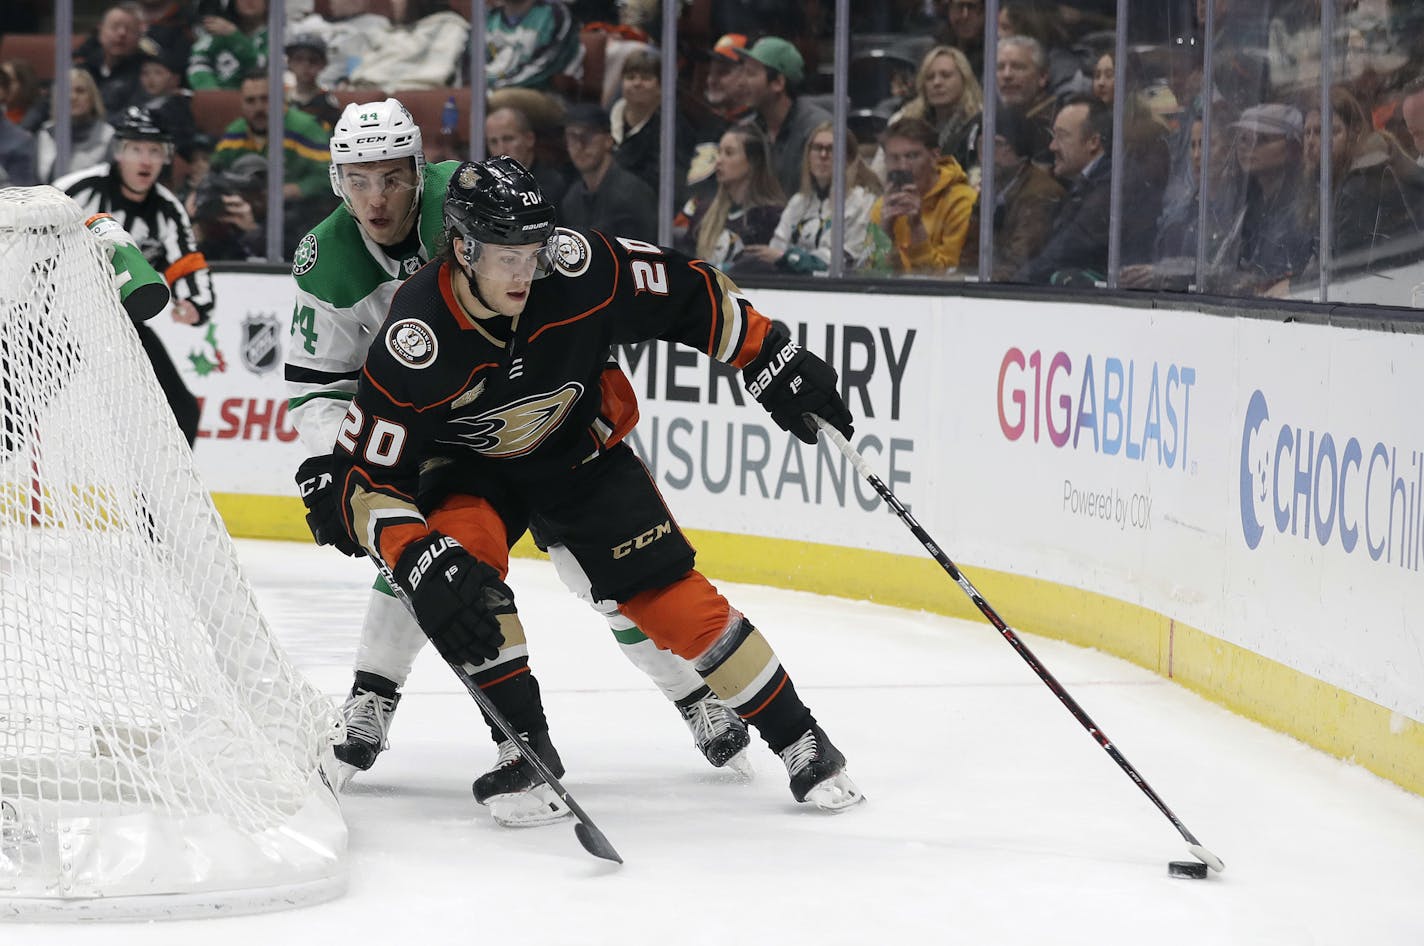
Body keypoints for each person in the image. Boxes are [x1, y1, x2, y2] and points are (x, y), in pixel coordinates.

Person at [326, 154, 864, 812]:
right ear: (463, 248)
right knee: (461, 582)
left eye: (532, 250)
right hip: (466, 469)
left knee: (671, 602)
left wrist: (768, 355)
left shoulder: (579, 266)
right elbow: (364, 477)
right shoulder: (418, 334)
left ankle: (804, 741)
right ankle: (524, 747)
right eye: (506, 257)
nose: (526, 271)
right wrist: (413, 556)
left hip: (578, 452)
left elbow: (689, 292)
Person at [288, 100, 751, 808]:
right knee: (427, 561)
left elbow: (564, 281)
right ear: (335, 182)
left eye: (391, 178)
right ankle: (373, 697)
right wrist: (335, 461)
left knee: (605, 571)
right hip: (446, 443)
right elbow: (318, 390)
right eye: (358, 180)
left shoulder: (477, 199)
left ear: (420, 172)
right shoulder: (326, 262)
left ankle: (694, 694)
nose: (375, 199)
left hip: (548, 416)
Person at [53, 107, 214, 446]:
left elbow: (185, 260)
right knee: (16, 410)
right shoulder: (77, 190)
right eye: (136, 149)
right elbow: (28, 229)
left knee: (181, 410)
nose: (146, 160)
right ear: (119, 152)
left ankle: (154, 500)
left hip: (120, 326)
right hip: (55, 324)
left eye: (155, 151)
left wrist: (195, 303)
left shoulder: (167, 208)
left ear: (166, 156)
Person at [213, 70, 332, 255]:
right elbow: (214, 172)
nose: (258, 107)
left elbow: (328, 177)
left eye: (265, 99)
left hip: (300, 219)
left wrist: (291, 190)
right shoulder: (235, 132)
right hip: (247, 218)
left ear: (280, 99)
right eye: (250, 101)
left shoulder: (305, 128)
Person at [744, 123, 882, 274]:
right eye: (817, 148)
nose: (823, 155)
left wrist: (788, 258)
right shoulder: (799, 201)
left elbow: (846, 261)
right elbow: (776, 249)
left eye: (831, 149)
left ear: (848, 158)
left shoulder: (862, 201)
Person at [1014, 94, 1112, 285]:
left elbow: (1065, 250)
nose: (1052, 146)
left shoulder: (1107, 191)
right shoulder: (1082, 186)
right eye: (1053, 136)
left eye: (1062, 136)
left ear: (1093, 142)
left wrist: (1015, 284)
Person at [868, 116, 978, 277]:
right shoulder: (883, 207)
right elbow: (870, 276)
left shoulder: (963, 202)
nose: (903, 167)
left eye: (912, 156)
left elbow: (949, 278)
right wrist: (885, 233)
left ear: (934, 156)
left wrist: (917, 227)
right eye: (894, 158)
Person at [674, 124, 785, 271]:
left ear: (753, 162)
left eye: (729, 153)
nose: (719, 161)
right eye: (719, 153)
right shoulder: (703, 212)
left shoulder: (771, 217)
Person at [735, 36, 831, 201]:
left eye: (750, 74)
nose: (741, 82)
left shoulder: (817, 129)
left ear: (778, 83)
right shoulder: (747, 129)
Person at [875, 45, 985, 188]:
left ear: (964, 79)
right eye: (929, 77)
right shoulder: (903, 120)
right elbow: (879, 177)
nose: (937, 83)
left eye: (946, 75)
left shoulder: (983, 122)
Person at [557, 103, 657, 243]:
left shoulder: (633, 193)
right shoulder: (571, 200)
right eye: (572, 137)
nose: (580, 146)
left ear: (608, 141)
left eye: (588, 136)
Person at [983, 107, 1064, 280]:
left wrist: (985, 282)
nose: (987, 152)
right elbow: (970, 251)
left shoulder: (1040, 193)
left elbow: (1019, 261)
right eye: (982, 144)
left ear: (1019, 148)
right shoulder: (991, 188)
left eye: (997, 144)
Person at [36, 69, 116, 184]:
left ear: (92, 97)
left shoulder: (107, 135)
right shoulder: (45, 133)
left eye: (80, 91)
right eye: (66, 91)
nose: (72, 97)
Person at [484, 0, 581, 92]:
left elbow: (547, 67)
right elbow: (473, 64)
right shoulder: (488, 20)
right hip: (492, 93)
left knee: (501, 101)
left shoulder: (555, 14)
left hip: (544, 93)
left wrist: (497, 86)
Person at [75, 3, 148, 123]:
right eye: (115, 27)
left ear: (139, 37)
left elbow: (136, 111)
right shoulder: (83, 65)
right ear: (100, 30)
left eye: (130, 29)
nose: (122, 34)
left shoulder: (145, 72)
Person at [484, 104, 569, 204]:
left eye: (508, 139)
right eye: (493, 142)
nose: (501, 150)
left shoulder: (553, 185)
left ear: (529, 139)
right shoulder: (487, 188)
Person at [188, 0, 269, 90]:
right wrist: (212, 92)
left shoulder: (278, 36)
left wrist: (235, 37)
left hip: (257, 99)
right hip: (216, 99)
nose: (249, 1)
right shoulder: (221, 31)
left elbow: (261, 66)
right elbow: (198, 64)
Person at [284, 33, 342, 132]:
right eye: (299, 59)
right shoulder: (280, 98)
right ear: (289, 62)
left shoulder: (327, 102)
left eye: (313, 60)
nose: (306, 65)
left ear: (323, 64)